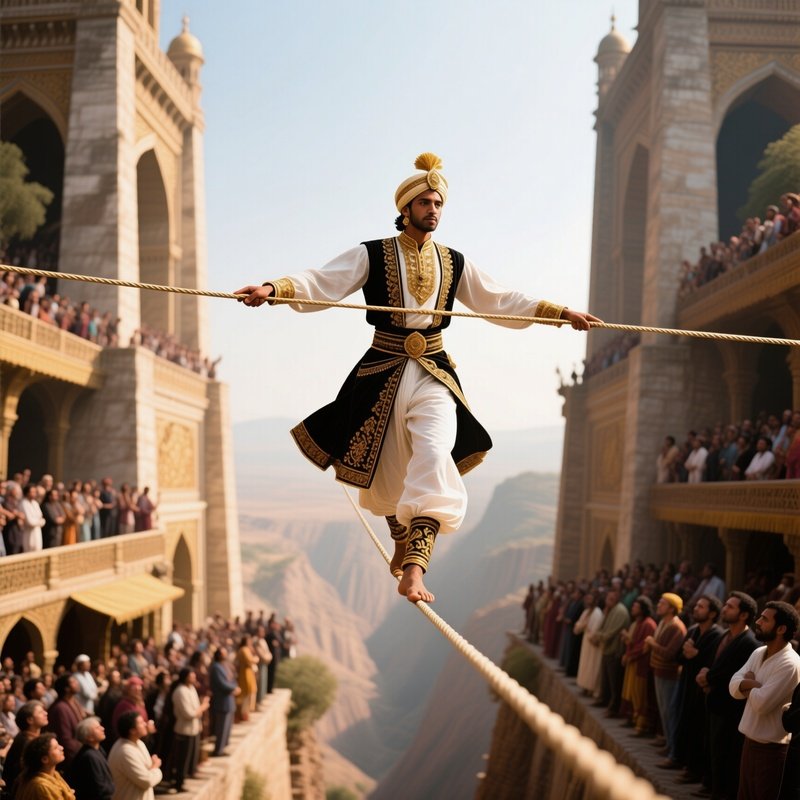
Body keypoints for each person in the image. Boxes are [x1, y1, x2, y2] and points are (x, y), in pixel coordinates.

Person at [235, 152, 599, 603]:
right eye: (424, 203)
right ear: (405, 209)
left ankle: (414, 568)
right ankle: (401, 540)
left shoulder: (455, 262)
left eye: (438, 203)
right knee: (388, 473)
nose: (433, 210)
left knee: (433, 451)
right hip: (381, 371)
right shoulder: (373, 253)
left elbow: (499, 299)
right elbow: (323, 281)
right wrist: (273, 289)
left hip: (433, 371)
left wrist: (559, 313)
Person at [730, 601, 800, 800]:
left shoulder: (790, 663)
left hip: (771, 750)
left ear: (781, 629)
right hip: (749, 743)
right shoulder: (758, 652)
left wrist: (747, 683)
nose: (758, 622)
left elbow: (762, 704)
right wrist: (752, 684)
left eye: (764, 619)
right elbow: (733, 687)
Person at [697, 591, 759, 800]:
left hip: (729, 706)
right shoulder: (726, 635)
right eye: (726, 605)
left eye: (730, 607)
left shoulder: (749, 643)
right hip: (714, 700)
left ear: (743, 615)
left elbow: (732, 672)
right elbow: (715, 663)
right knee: (712, 746)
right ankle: (712, 785)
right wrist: (706, 675)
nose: (725, 608)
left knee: (724, 750)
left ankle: (721, 791)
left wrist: (709, 678)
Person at [107, 711, 162, 800]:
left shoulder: (139, 743)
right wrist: (156, 767)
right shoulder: (125, 751)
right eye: (140, 723)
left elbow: (146, 772)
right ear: (132, 730)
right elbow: (146, 781)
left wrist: (151, 768)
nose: (145, 724)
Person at [170, 668, 207, 792]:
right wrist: (203, 707)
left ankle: (185, 779)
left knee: (190, 757)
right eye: (192, 676)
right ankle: (179, 783)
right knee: (182, 759)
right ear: (186, 677)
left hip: (193, 729)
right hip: (184, 730)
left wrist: (200, 709)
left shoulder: (191, 689)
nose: (194, 678)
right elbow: (188, 713)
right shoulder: (180, 691)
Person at [3, 700, 48, 798]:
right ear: (30, 720)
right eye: (40, 712)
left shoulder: (27, 737)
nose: (46, 713)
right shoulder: (26, 743)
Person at [15, 733, 75, 800]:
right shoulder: (40, 785)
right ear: (44, 759)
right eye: (56, 748)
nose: (61, 748)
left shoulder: (54, 774)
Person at [68, 716, 114, 800]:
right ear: (89, 737)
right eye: (97, 728)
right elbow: (98, 788)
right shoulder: (89, 757)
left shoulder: (98, 750)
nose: (102, 728)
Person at [209, 647, 239, 757]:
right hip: (222, 700)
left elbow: (232, 679)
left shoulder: (225, 666)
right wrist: (233, 689)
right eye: (223, 654)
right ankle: (218, 750)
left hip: (229, 700)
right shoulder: (216, 667)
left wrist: (235, 687)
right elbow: (222, 683)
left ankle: (223, 747)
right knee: (221, 727)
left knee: (227, 727)